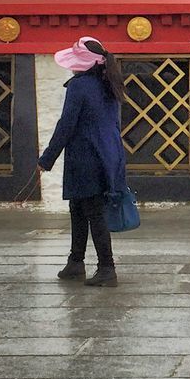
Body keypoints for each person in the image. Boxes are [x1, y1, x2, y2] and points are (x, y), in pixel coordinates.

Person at [37, 36, 127, 287]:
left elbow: (66, 124)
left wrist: (47, 158)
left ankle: (107, 268)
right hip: (107, 153)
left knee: (93, 212)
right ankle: (75, 261)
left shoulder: (80, 87)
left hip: (86, 156)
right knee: (79, 208)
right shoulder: (109, 83)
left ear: (84, 64)